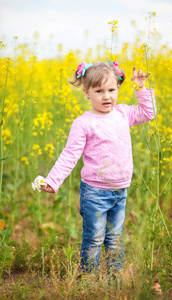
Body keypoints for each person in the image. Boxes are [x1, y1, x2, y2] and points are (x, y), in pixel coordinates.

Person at [42, 61, 156, 275]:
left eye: (111, 90)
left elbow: (148, 113)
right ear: (87, 93)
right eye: (99, 91)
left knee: (115, 237)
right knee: (94, 238)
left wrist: (140, 88)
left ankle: (115, 277)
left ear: (118, 89)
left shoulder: (123, 114)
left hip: (120, 191)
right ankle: (89, 279)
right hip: (94, 192)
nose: (106, 96)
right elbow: (70, 155)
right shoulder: (83, 123)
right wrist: (53, 180)